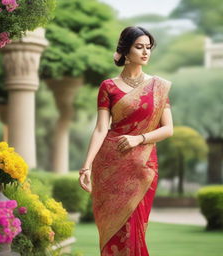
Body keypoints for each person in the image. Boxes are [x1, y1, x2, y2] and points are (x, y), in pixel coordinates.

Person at [78, 26, 173, 256]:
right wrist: (87, 166)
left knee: (135, 228)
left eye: (148, 48)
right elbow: (101, 128)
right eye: (139, 47)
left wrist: (138, 139)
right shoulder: (108, 87)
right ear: (125, 50)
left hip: (143, 166)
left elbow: (168, 129)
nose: (145, 52)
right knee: (113, 232)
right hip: (110, 165)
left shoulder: (158, 87)